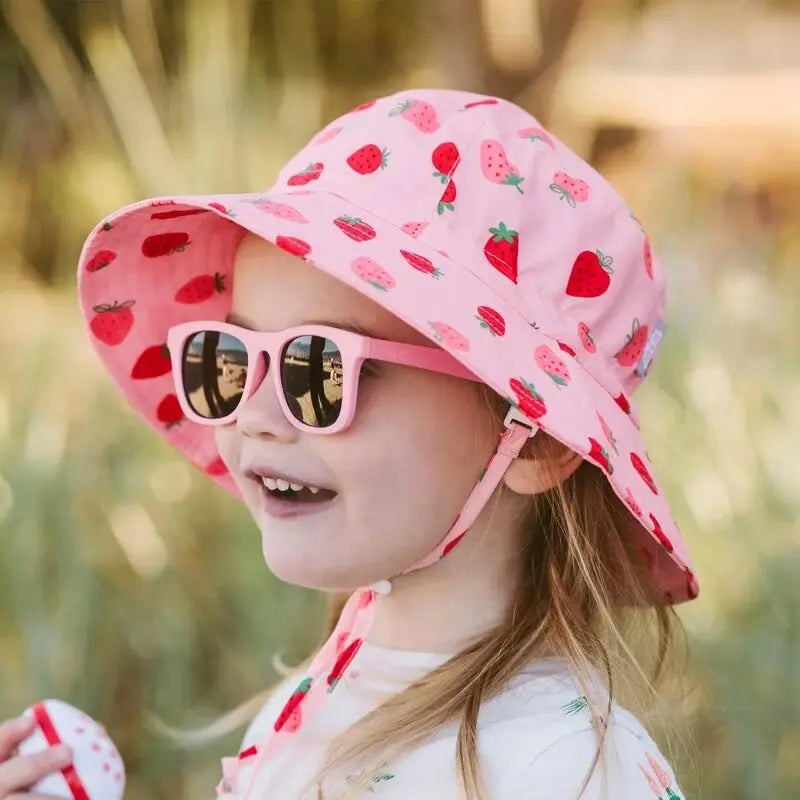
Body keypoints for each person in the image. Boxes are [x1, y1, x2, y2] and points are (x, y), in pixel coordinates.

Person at [1, 88, 698, 799]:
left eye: (319, 366)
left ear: (535, 441)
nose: (257, 416)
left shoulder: (560, 770)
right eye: (228, 358)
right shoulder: (332, 680)